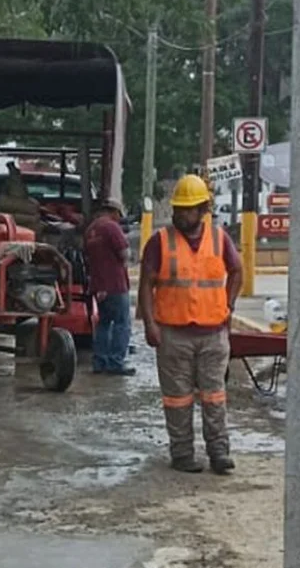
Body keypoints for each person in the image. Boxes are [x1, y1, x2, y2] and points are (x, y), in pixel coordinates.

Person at [138, 175, 243, 475]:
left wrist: (228, 305)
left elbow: (237, 271)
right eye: (178, 209)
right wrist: (149, 324)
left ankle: (219, 452)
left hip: (213, 333)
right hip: (173, 334)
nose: (181, 214)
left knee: (214, 396)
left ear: (202, 210)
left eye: (188, 209)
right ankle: (182, 453)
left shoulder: (219, 239)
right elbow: (146, 284)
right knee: (177, 399)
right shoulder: (160, 242)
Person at [84, 198, 135, 376]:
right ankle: (115, 363)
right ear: (114, 212)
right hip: (115, 284)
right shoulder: (112, 227)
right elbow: (124, 253)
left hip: (98, 285)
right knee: (122, 323)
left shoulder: (90, 230)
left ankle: (100, 362)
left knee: (104, 324)